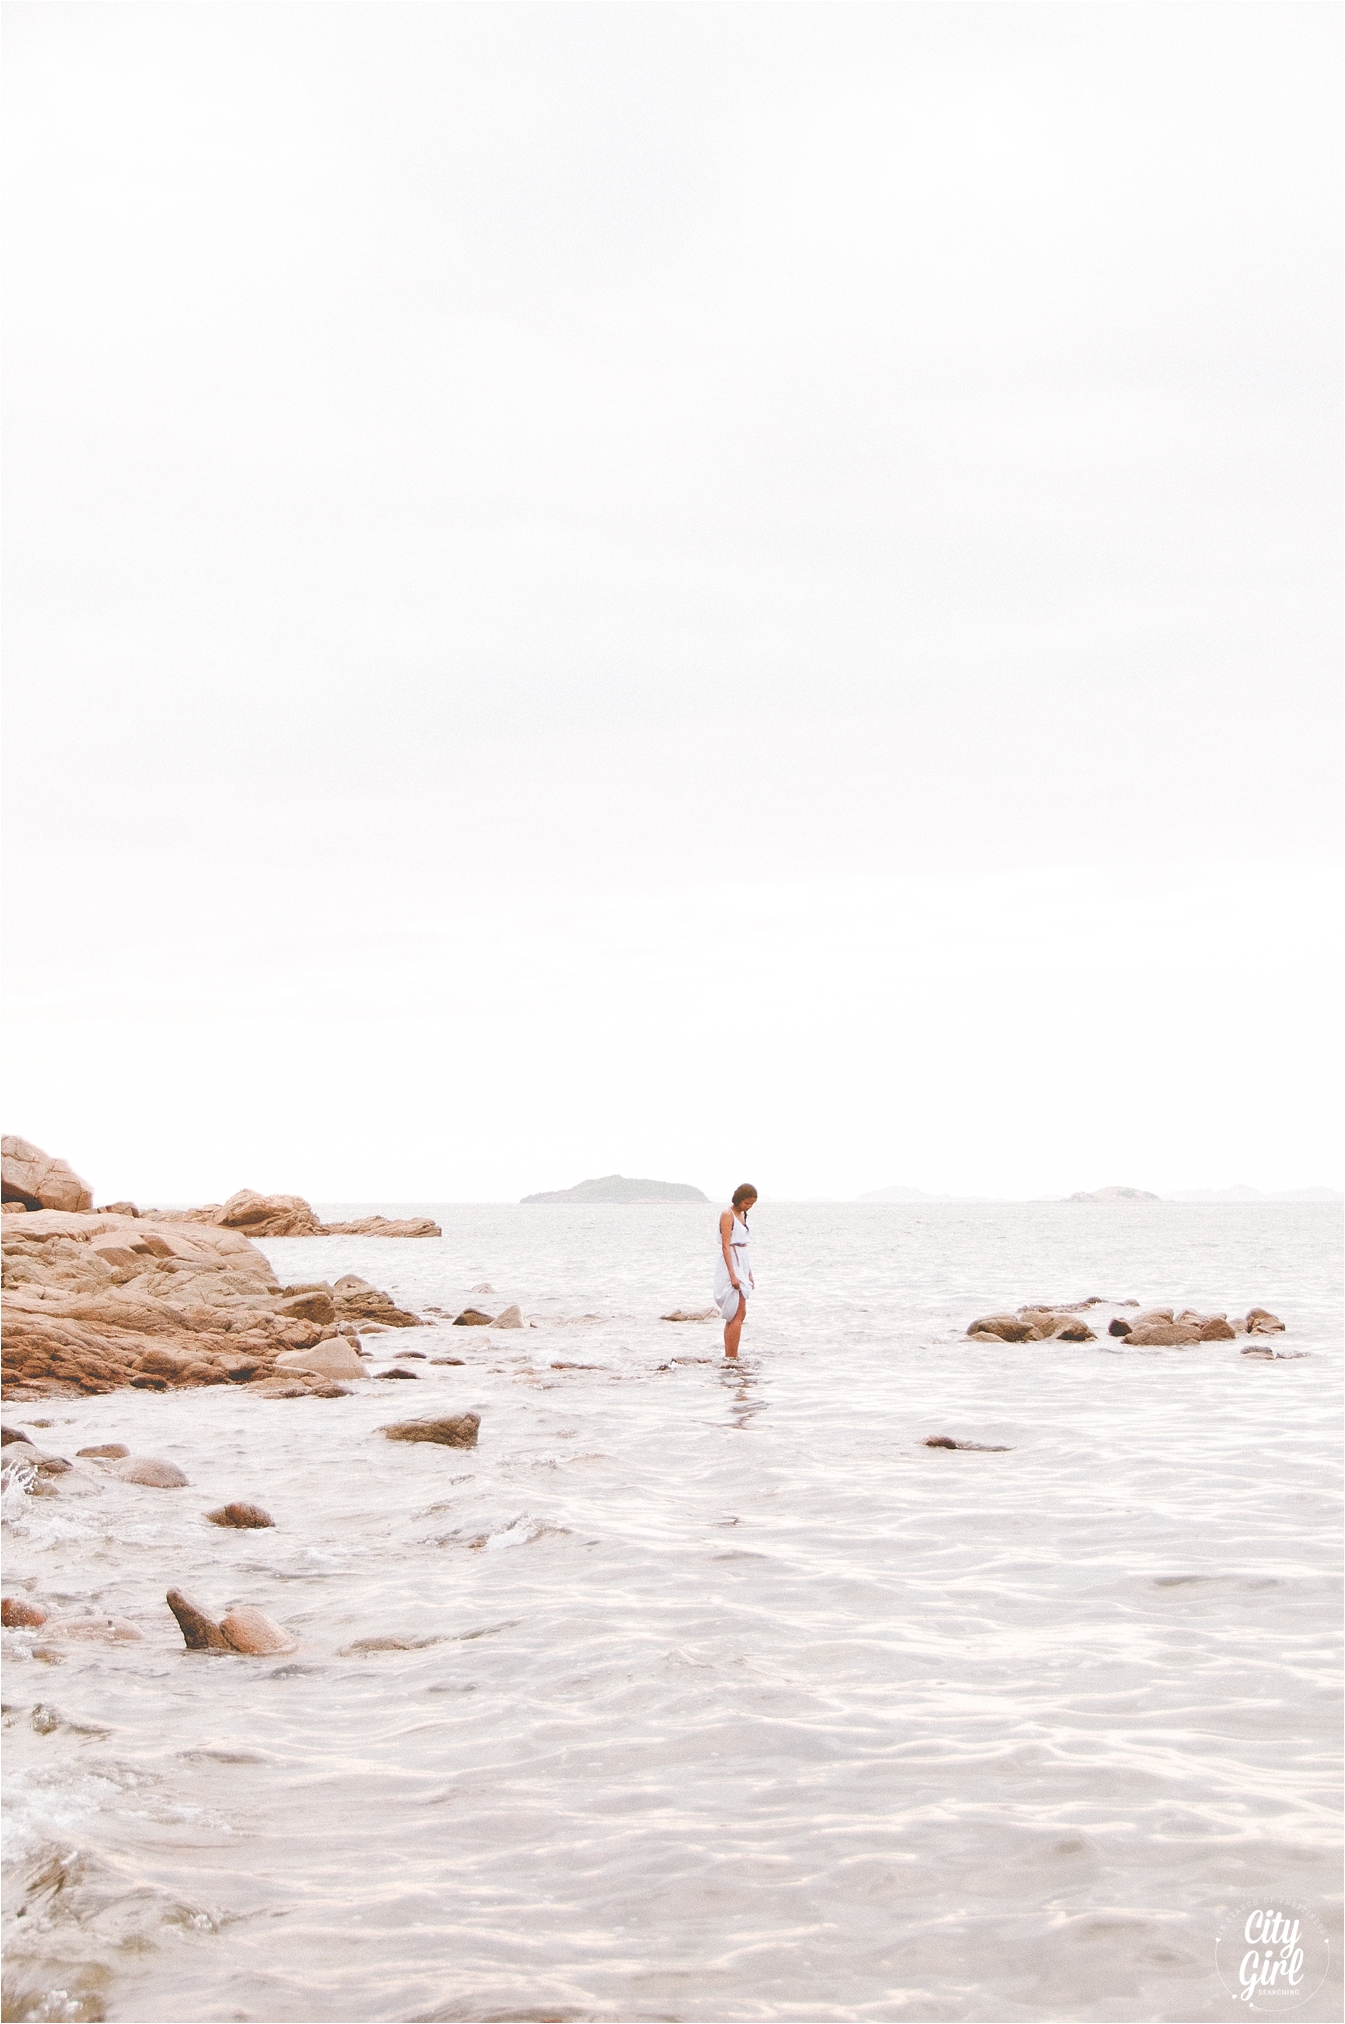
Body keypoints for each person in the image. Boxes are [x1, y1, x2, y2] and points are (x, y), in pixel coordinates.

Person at [714, 1183, 757, 1358]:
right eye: (747, 1203)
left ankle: (731, 1355)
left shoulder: (742, 1214)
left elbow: (743, 1246)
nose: (749, 1207)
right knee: (736, 1312)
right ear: (739, 1199)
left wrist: (749, 1273)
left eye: (752, 1204)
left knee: (740, 1312)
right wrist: (732, 1275)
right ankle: (732, 1356)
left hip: (742, 1261)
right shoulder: (727, 1214)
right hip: (731, 1261)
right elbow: (725, 1246)